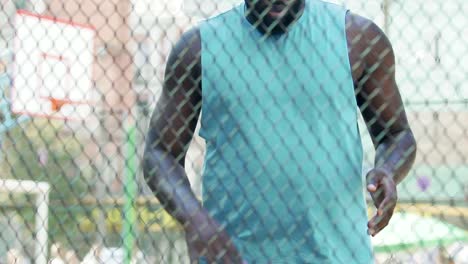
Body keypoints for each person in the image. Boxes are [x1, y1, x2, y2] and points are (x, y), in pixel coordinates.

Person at [143, 0, 417, 263]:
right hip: (233, 257)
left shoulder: (357, 39)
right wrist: (195, 221)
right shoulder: (198, 49)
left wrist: (388, 171)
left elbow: (397, 136)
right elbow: (159, 153)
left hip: (338, 256)